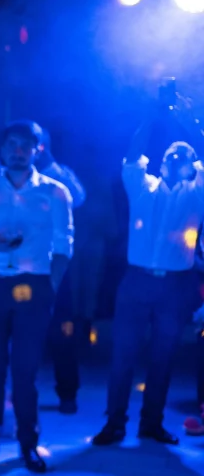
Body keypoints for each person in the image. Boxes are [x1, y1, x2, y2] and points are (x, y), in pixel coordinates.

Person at [0, 121, 73, 473]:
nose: (18, 150)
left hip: (34, 284)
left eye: (26, 145)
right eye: (12, 144)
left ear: (38, 149)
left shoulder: (55, 193)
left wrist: (50, 286)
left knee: (25, 370)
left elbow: (64, 245)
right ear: (2, 149)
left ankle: (28, 443)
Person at [94, 99, 204, 447]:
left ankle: (151, 424)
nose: (177, 154)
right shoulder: (142, 187)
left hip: (175, 285)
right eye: (172, 151)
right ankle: (114, 424)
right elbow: (133, 153)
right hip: (136, 282)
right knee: (123, 354)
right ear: (160, 160)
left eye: (184, 153)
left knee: (163, 355)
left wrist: (189, 124)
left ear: (193, 165)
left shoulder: (196, 194)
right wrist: (151, 118)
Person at [36, 127, 89, 415]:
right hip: (23, 264)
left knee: (62, 332)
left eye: (41, 144)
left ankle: (67, 393)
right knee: (23, 332)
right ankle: (20, 392)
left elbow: (79, 197)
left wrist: (53, 166)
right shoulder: (12, 177)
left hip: (57, 263)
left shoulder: (59, 174)